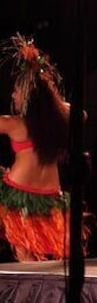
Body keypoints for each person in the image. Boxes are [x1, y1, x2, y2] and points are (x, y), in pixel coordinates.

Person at [0, 34, 73, 261]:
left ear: (29, 95)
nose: (13, 95)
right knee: (45, 253)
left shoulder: (15, 125)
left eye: (17, 90)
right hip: (51, 194)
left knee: (24, 252)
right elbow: (80, 113)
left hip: (17, 193)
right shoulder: (64, 117)